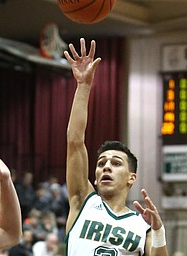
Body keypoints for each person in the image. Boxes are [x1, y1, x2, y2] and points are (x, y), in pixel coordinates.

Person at [64, 38, 169, 255]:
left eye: (116, 163)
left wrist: (158, 231)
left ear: (132, 177)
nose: (106, 167)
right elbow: (75, 142)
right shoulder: (83, 201)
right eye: (101, 163)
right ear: (94, 175)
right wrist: (83, 86)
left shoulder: (143, 227)